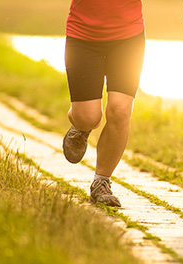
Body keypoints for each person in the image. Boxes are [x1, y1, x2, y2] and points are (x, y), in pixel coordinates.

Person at [62, 0, 146, 207]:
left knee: (120, 110)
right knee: (88, 117)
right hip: (83, 35)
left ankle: (102, 182)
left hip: (129, 36)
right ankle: (81, 126)